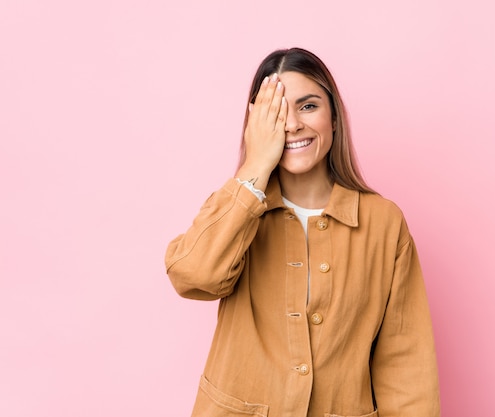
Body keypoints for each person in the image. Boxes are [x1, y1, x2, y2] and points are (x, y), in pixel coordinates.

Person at [165, 47, 440, 417]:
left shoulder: (383, 223)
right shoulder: (236, 211)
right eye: (276, 112)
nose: (292, 124)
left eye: (308, 106)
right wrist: (257, 164)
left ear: (334, 118)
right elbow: (192, 277)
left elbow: (405, 365)